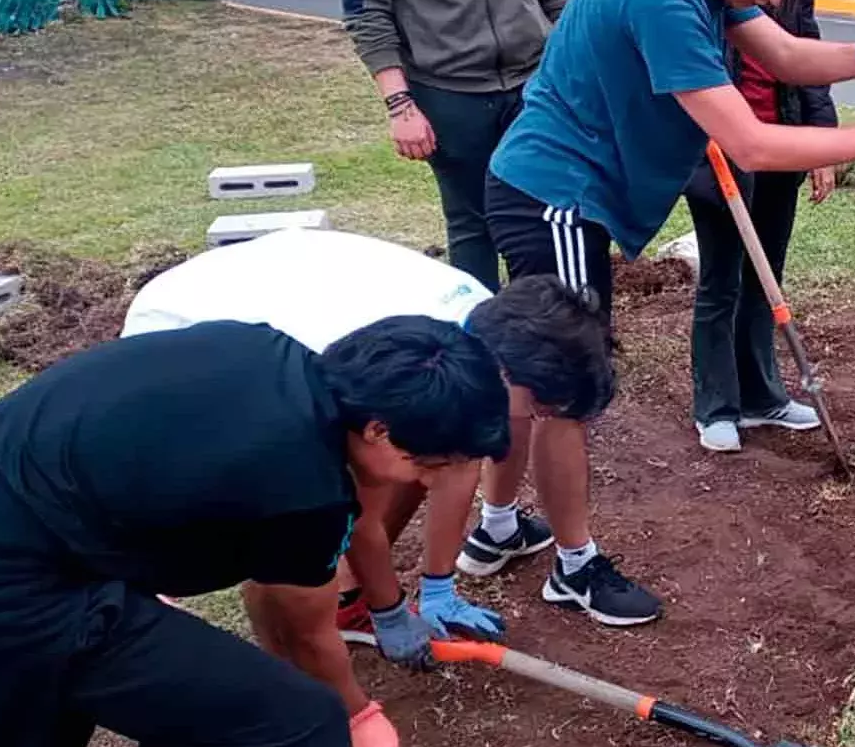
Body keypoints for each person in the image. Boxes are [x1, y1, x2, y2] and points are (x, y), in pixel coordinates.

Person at [481, 0, 855, 621]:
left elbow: (787, 57)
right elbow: (751, 143)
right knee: (568, 392)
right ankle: (573, 566)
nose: (772, 1)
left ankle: (497, 529)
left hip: (553, 191)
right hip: (555, 199)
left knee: (528, 378)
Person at [0, 316, 512, 747]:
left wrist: (389, 610)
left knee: (67, 670)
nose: (430, 480)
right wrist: (358, 717)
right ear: (379, 430)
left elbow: (144, 455)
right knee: (301, 727)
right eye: (429, 463)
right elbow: (303, 636)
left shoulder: (263, 352)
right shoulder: (302, 487)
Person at [121, 227, 614, 643]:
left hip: (278, 282)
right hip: (186, 325)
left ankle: (350, 589)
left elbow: (456, 465)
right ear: (507, 374)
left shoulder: (486, 331)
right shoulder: (393, 362)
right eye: (538, 406)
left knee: (413, 456)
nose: (537, 418)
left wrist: (437, 587)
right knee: (293, 512)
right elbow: (346, 496)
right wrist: (390, 609)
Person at [341, 0, 574, 292]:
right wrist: (399, 103)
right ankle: (478, 340)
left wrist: (568, 66)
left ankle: (543, 336)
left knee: (541, 214)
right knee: (474, 222)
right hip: (448, 92)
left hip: (532, 83)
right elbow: (368, 11)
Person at [680, 0, 840, 453]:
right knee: (722, 277)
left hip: (781, 139)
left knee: (766, 275)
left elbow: (803, 52)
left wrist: (820, 143)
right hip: (720, 150)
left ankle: (762, 394)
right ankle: (715, 403)